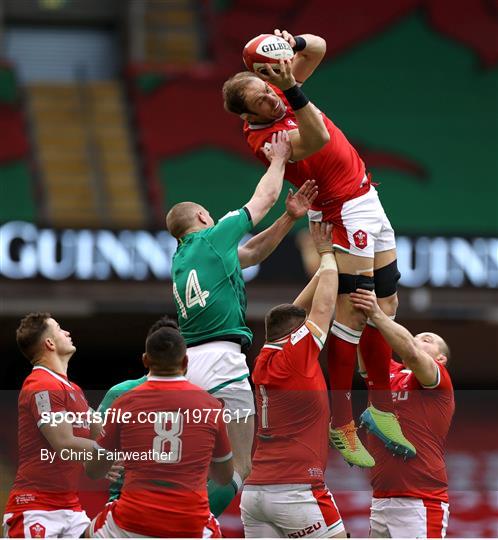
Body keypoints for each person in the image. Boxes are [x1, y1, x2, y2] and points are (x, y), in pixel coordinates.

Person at [222, 29, 414, 467]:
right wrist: (290, 86)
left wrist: (293, 45)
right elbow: (318, 139)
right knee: (356, 312)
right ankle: (343, 422)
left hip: (366, 196)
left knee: (386, 301)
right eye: (260, 100)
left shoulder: (277, 86)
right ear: (248, 115)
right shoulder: (266, 140)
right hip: (340, 210)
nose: (270, 99)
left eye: (265, 90)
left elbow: (323, 46)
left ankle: (380, 407)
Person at [166, 131, 318, 514]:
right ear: (203, 217)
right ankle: (188, 524)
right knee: (239, 468)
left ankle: (164, 516)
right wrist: (279, 160)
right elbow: (262, 200)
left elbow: (250, 253)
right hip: (222, 363)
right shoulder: (212, 239)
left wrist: (290, 217)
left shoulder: (184, 259)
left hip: (190, 369)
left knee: (201, 465)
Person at [241, 222, 346, 538]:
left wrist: (321, 273)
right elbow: (324, 307)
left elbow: (292, 313)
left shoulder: (265, 359)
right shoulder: (296, 359)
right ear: (294, 336)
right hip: (296, 490)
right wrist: (326, 254)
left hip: (255, 494)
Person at [84, 324, 233, 538]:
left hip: (133, 521)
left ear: (145, 360)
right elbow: (224, 477)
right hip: (190, 524)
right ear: (185, 362)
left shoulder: (124, 402)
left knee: (85, 533)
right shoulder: (210, 405)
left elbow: (93, 471)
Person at [350, 288, 455, 538]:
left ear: (441, 358)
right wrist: (359, 312)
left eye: (427, 339)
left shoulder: (437, 379)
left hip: (420, 501)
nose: (418, 340)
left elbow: (412, 353)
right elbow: (366, 354)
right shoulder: (389, 373)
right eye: (416, 336)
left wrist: (378, 313)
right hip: (381, 499)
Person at [2, 313, 101, 538]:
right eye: (59, 328)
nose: (67, 332)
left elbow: (96, 437)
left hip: (71, 509)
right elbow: (64, 443)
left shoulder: (74, 389)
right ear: (49, 343)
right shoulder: (42, 384)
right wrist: (104, 452)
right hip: (36, 508)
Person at [95, 316, 178, 503]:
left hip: (171, 502)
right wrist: (99, 463)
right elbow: (92, 435)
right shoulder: (120, 393)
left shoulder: (197, 396)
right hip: (127, 498)